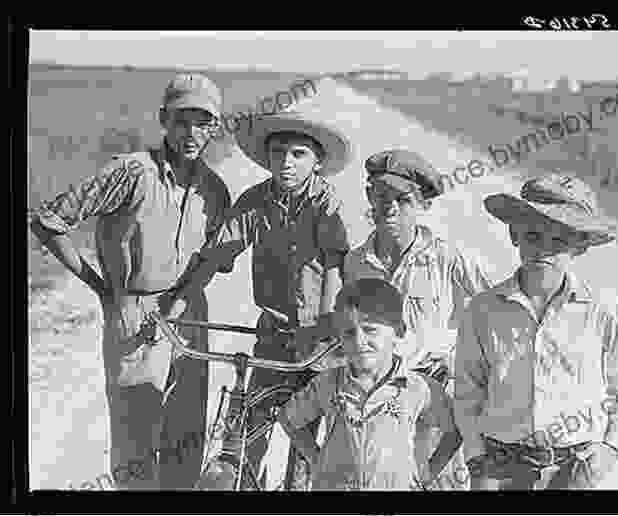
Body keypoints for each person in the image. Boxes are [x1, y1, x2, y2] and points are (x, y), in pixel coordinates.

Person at [28, 73, 232, 489]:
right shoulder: (133, 172)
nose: (192, 133)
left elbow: (214, 259)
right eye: (181, 121)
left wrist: (185, 299)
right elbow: (49, 221)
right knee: (135, 442)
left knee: (187, 436)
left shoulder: (216, 189)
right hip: (134, 314)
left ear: (215, 127)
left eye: (203, 122)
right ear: (163, 120)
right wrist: (106, 292)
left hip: (191, 313)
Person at [174, 109, 352, 490]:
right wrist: (176, 305)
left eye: (298, 154)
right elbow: (216, 255)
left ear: (317, 161)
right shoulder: (254, 201)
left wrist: (322, 332)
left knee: (320, 441)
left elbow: (334, 266)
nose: (286, 162)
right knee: (249, 426)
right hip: (274, 336)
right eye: (278, 153)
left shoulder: (327, 204)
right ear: (267, 158)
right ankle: (242, 484)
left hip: (323, 340)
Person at [454, 173, 618, 490]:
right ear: (514, 234)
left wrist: (609, 451)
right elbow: (467, 392)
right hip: (500, 467)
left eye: (558, 240)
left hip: (575, 469)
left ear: (579, 245)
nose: (543, 249)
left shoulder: (603, 308)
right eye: (533, 235)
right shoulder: (483, 310)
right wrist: (477, 460)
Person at [343, 149, 493, 490]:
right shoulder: (356, 264)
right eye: (381, 197)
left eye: (403, 200)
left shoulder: (447, 257)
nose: (390, 207)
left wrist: (465, 364)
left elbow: (495, 311)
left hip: (432, 396)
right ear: (369, 196)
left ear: (422, 204)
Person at [276, 277, 463, 490]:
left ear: (398, 331)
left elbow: (457, 428)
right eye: (349, 333)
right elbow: (288, 418)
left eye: (370, 330)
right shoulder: (328, 383)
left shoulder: (417, 388)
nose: (359, 341)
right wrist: (316, 460)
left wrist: (427, 472)